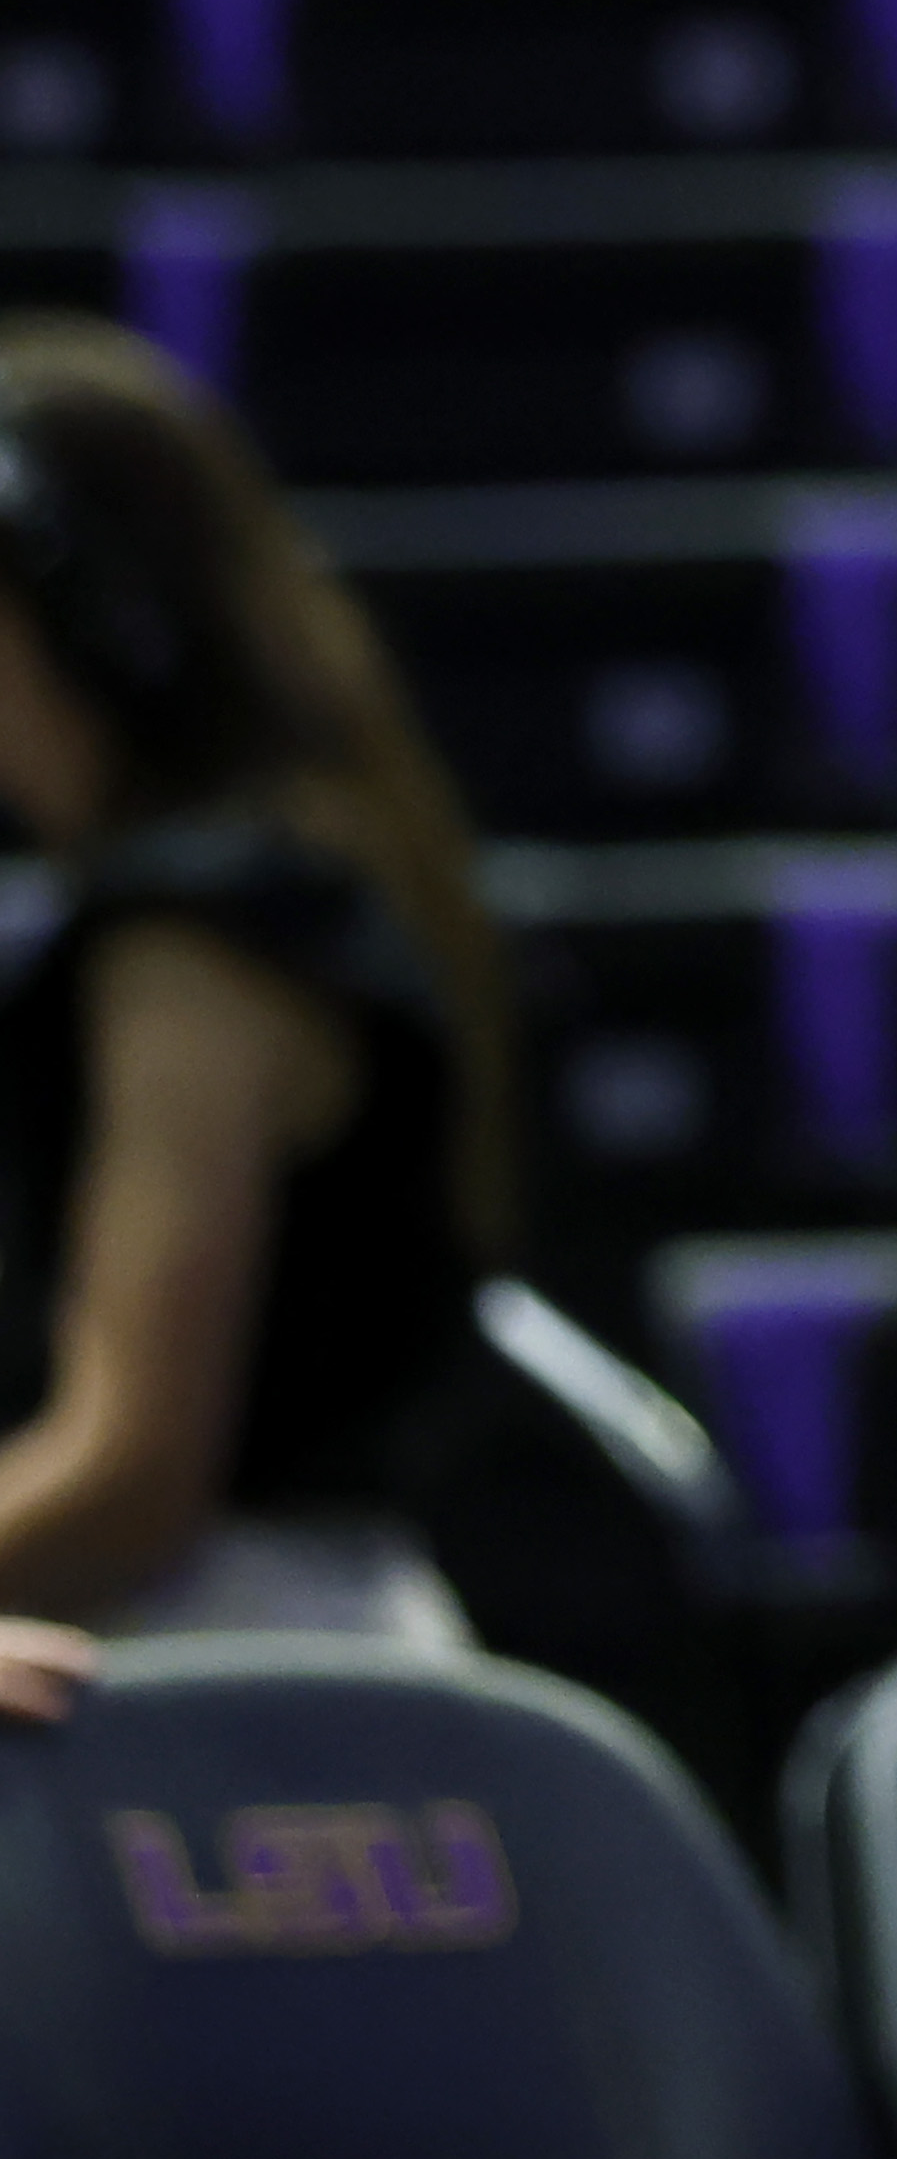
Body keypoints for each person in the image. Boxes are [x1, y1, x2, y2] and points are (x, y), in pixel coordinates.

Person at [0, 315, 516, 1650]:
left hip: (222, 1674)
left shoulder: (199, 949)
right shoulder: (299, 871)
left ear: (86, 625)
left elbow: (130, 1482)